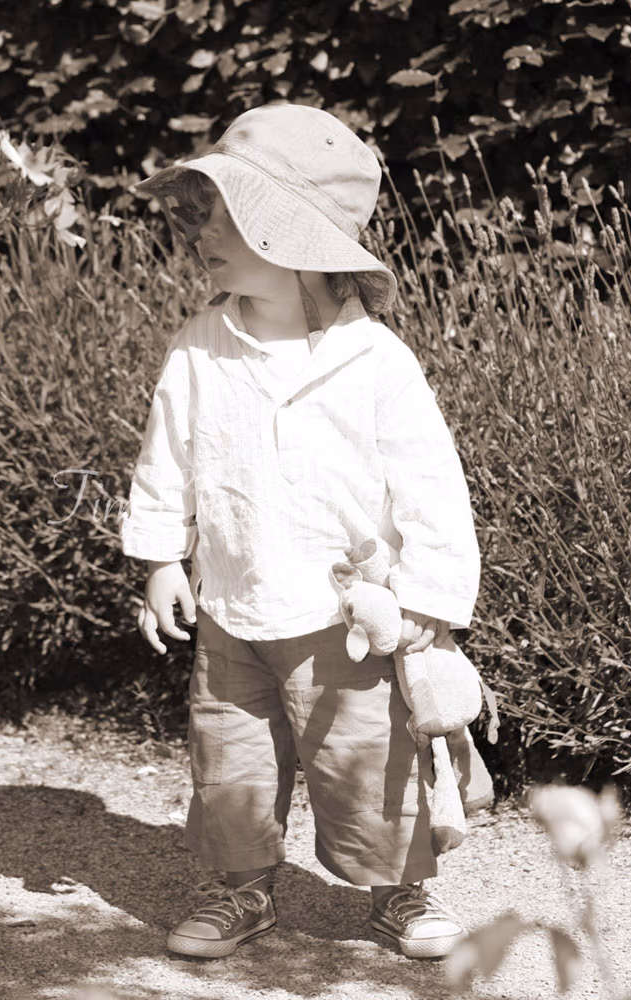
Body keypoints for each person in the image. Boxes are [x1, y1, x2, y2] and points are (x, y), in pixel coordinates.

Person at [121, 103, 481, 961]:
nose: (204, 230)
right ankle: (242, 891)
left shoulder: (378, 364)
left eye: (226, 214)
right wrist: (161, 558)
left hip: (348, 626)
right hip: (233, 610)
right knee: (232, 762)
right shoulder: (200, 346)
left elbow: (432, 486)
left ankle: (402, 894)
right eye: (204, 210)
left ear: (293, 241)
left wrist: (431, 599)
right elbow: (164, 456)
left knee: (369, 763)